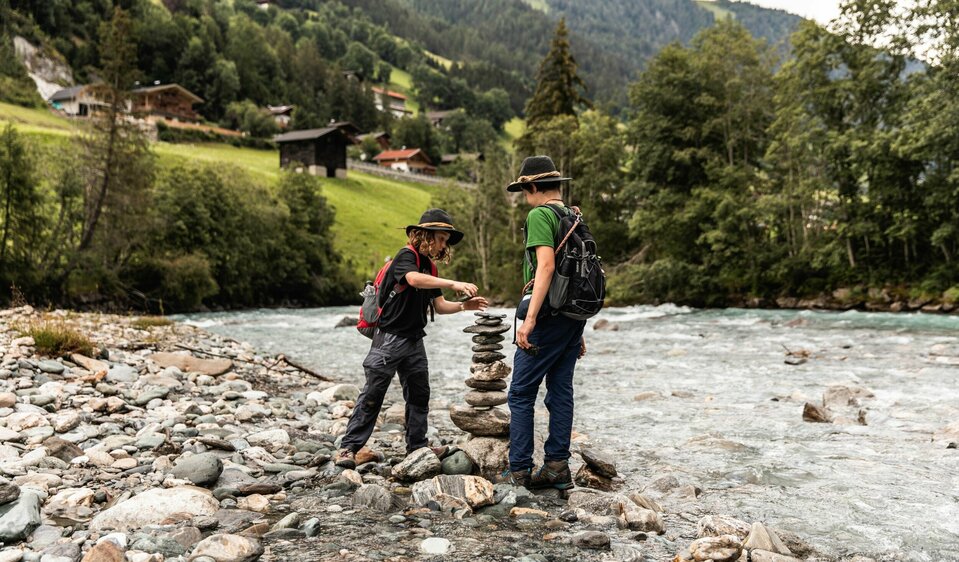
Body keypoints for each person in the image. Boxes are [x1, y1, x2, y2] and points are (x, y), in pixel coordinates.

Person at [335, 209, 489, 468]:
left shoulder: (430, 266)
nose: (443, 244)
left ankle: (417, 446)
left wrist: (465, 306)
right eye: (440, 238)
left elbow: (439, 306)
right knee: (373, 394)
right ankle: (349, 448)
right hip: (389, 339)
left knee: (419, 395)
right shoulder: (406, 256)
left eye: (445, 240)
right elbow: (412, 279)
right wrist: (453, 283)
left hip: (414, 340)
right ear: (425, 235)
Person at [498, 155, 587, 489]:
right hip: (571, 317)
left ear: (531, 186)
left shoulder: (539, 214)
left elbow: (547, 268)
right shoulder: (573, 215)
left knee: (521, 392)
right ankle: (556, 466)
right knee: (560, 390)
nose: (525, 197)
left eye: (524, 190)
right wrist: (577, 329)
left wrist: (530, 319)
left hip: (548, 316)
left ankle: (519, 470)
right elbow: (581, 274)